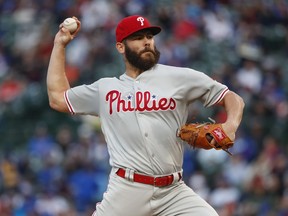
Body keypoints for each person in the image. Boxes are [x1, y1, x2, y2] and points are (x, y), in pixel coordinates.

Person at [47, 15, 244, 216]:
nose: (147, 41)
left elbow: (231, 97)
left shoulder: (179, 77)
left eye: (149, 36)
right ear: (121, 47)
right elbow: (58, 98)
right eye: (138, 37)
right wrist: (59, 45)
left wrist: (231, 125)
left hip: (173, 191)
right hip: (127, 190)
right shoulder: (105, 89)